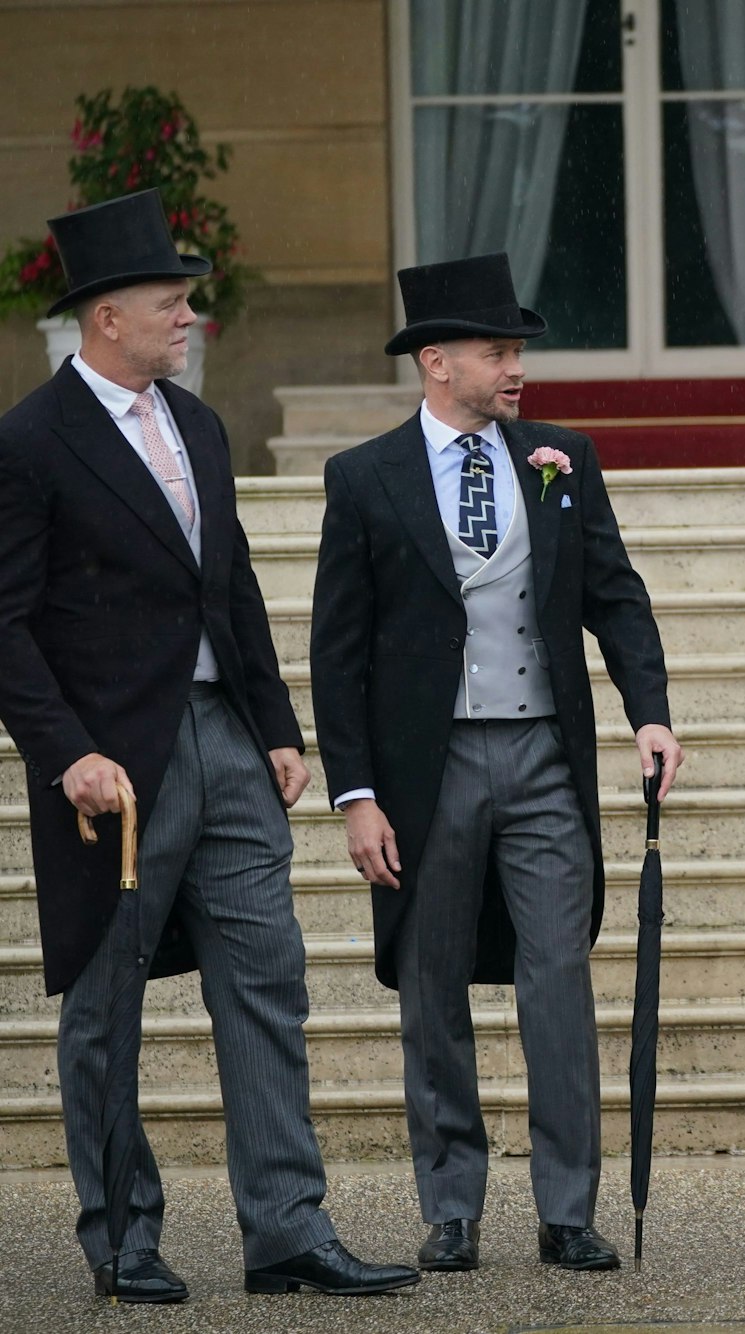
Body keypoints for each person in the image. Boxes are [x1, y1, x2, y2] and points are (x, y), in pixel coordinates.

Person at [0, 190, 416, 1301]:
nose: (189, 317)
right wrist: (64, 753)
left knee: (268, 979)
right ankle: (123, 1235)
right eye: (170, 302)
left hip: (226, 744)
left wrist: (277, 727)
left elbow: (226, 582)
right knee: (106, 1005)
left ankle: (286, 1227)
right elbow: (4, 622)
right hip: (113, 769)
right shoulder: (31, 441)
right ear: (105, 319)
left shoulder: (198, 424)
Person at [309, 251, 682, 1275]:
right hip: (426, 773)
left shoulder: (562, 458)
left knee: (557, 976)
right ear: (437, 361)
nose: (514, 367)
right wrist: (356, 793)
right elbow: (336, 651)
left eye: (516, 349)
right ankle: (452, 1205)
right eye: (495, 350)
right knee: (430, 985)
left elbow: (616, 593)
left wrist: (649, 713)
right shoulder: (364, 477)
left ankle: (568, 1207)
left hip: (542, 754)